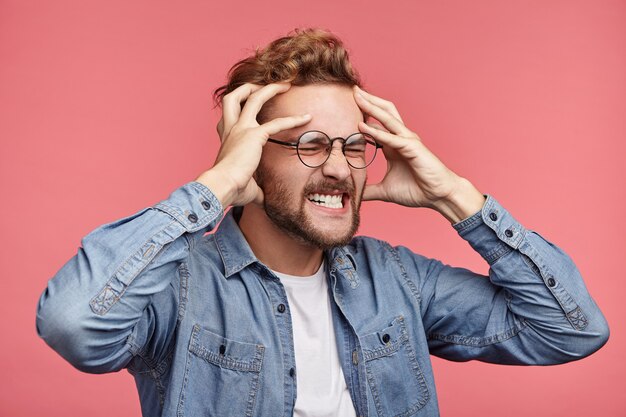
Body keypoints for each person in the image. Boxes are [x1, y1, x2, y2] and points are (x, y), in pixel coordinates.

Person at [36, 28, 609, 417]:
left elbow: (571, 330)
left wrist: (455, 196)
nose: (339, 167)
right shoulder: (181, 288)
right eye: (310, 144)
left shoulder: (398, 280)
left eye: (355, 146)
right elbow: (72, 325)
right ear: (253, 156)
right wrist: (213, 186)